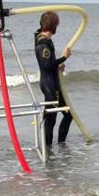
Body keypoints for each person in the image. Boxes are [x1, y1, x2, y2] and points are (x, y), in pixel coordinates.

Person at [35, 11, 72, 146]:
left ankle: (60, 146)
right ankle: (48, 150)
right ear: (53, 25)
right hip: (49, 85)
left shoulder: (46, 40)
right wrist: (64, 58)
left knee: (67, 115)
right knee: (51, 119)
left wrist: (58, 66)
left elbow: (49, 63)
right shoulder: (43, 42)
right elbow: (46, 65)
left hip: (54, 83)